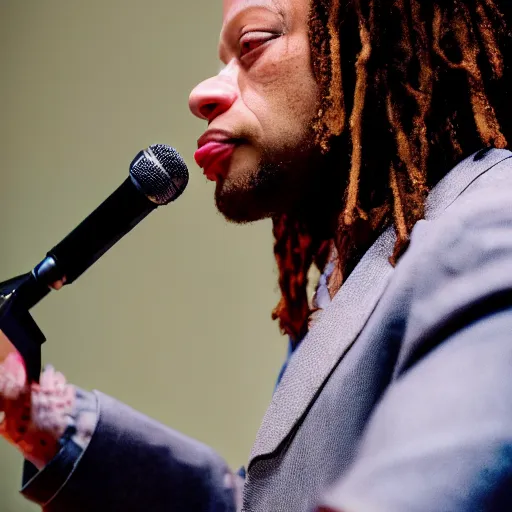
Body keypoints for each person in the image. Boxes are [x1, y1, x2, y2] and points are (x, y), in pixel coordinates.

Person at [1, 0, 512, 510]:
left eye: (253, 42)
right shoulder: (346, 280)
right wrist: (35, 416)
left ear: (375, 42)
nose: (201, 93)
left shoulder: (494, 218)